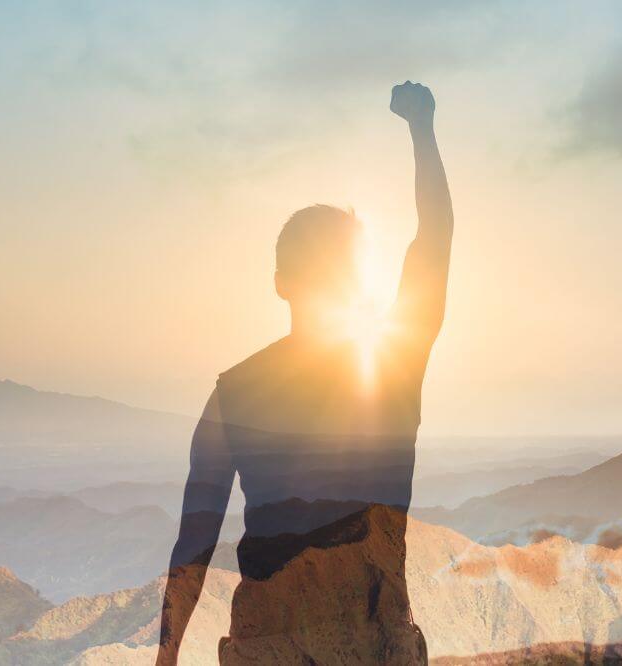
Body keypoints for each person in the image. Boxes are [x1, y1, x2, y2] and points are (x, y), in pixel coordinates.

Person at [156, 81, 452, 665]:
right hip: (375, 641)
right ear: (357, 282)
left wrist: (166, 659)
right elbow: (434, 240)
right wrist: (423, 130)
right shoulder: (395, 367)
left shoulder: (232, 394)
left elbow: (195, 540)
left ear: (279, 280)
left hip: (270, 646)